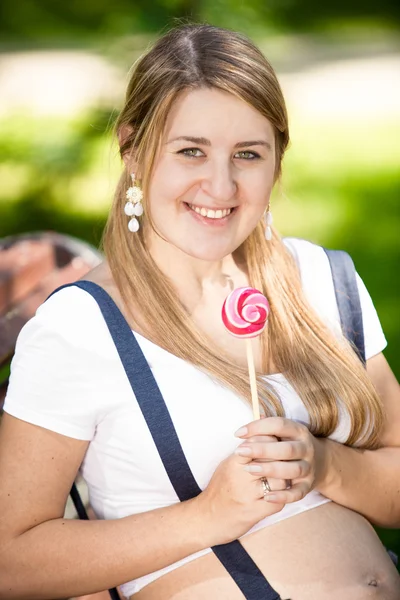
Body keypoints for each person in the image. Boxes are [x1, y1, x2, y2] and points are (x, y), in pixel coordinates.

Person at [0, 23, 399, 600]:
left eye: (248, 154)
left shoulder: (321, 280)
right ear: (133, 151)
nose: (220, 184)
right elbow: (10, 562)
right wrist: (211, 515)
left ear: (277, 161)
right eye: (191, 151)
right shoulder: (80, 330)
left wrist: (325, 465)